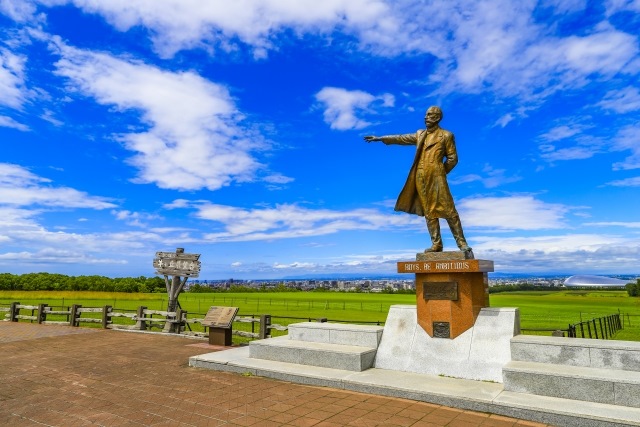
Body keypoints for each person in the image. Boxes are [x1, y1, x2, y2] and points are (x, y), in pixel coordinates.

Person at [364, 106, 473, 257]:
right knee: (429, 211)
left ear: (437, 117)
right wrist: (381, 138)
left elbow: (453, 158)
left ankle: (462, 243)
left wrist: (440, 171)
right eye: (426, 115)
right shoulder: (420, 134)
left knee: (449, 210)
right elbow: (401, 138)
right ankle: (436, 244)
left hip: (437, 176)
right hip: (420, 177)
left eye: (429, 115)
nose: (425, 117)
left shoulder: (446, 135)